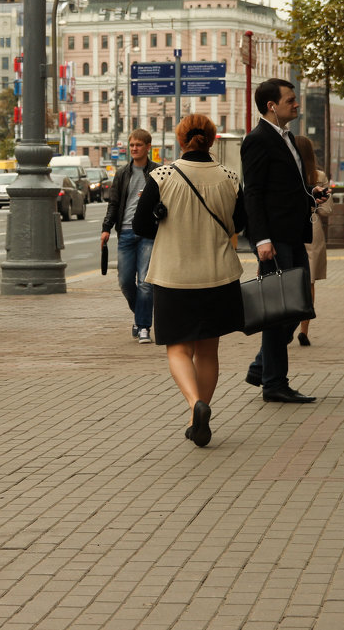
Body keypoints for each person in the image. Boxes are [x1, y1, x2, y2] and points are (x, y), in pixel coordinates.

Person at [133, 114, 246, 447]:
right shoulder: (230, 177)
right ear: (211, 140)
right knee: (208, 351)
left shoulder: (162, 176)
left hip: (174, 275)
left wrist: (164, 221)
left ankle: (193, 404)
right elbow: (239, 223)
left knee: (178, 348)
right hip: (219, 274)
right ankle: (201, 413)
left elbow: (140, 227)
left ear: (180, 141)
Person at [240, 78, 330, 403]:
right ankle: (274, 383)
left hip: (293, 234)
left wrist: (310, 196)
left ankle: (262, 367)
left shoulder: (287, 136)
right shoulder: (257, 140)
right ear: (271, 106)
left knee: (298, 306)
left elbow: (285, 188)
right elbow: (254, 193)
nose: (296, 104)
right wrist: (262, 238)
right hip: (274, 240)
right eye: (290, 100)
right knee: (282, 310)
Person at [101, 128, 159, 344]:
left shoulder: (157, 172)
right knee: (125, 282)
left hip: (148, 234)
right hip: (125, 232)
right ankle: (141, 316)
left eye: (139, 145)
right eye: (132, 145)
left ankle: (144, 327)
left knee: (145, 282)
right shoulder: (122, 173)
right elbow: (114, 203)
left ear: (147, 147)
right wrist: (106, 228)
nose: (134, 148)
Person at [292, 134, 333, 346]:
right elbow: (327, 210)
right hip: (313, 226)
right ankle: (304, 330)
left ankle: (287, 325)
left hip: (291, 227)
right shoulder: (319, 176)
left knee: (290, 278)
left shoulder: (288, 174)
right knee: (309, 282)